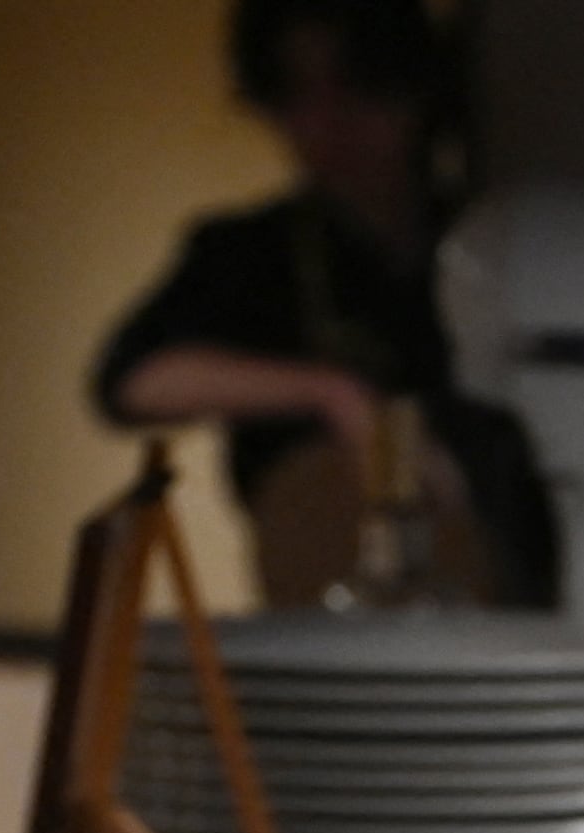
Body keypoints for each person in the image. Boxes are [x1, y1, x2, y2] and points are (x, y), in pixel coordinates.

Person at [92, 0, 555, 607]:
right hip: (326, 601)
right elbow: (131, 382)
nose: (327, 121)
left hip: (517, 596)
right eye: (297, 95)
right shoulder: (253, 252)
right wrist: (328, 393)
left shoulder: (497, 241)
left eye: (358, 89)